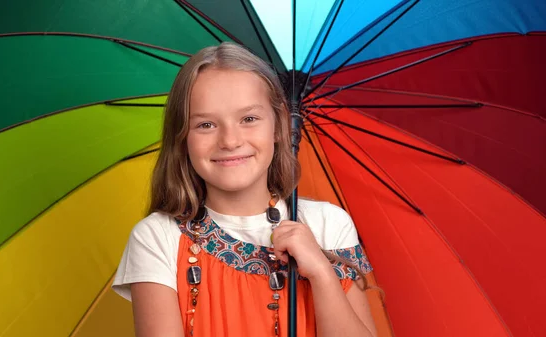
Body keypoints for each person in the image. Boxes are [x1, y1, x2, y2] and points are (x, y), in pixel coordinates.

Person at [112, 42, 377, 337]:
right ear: (182, 137)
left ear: (278, 127)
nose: (230, 140)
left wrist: (321, 273)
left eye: (249, 119)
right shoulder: (157, 237)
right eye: (206, 125)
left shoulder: (328, 224)